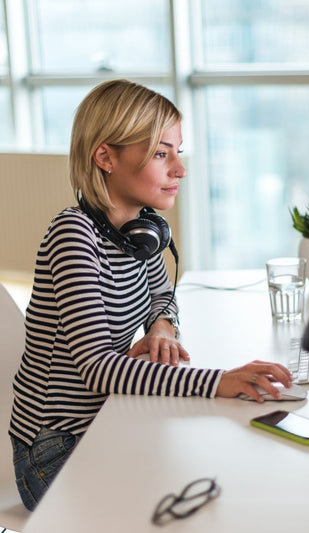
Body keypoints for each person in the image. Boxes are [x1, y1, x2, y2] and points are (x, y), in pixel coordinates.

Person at [9, 79, 292, 511]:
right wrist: (219, 381)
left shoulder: (142, 230)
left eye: (177, 151)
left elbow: (162, 295)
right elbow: (100, 370)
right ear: (105, 156)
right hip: (55, 449)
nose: (180, 169)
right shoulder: (74, 236)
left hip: (107, 420)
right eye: (162, 154)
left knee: (218, 473)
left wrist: (163, 327)